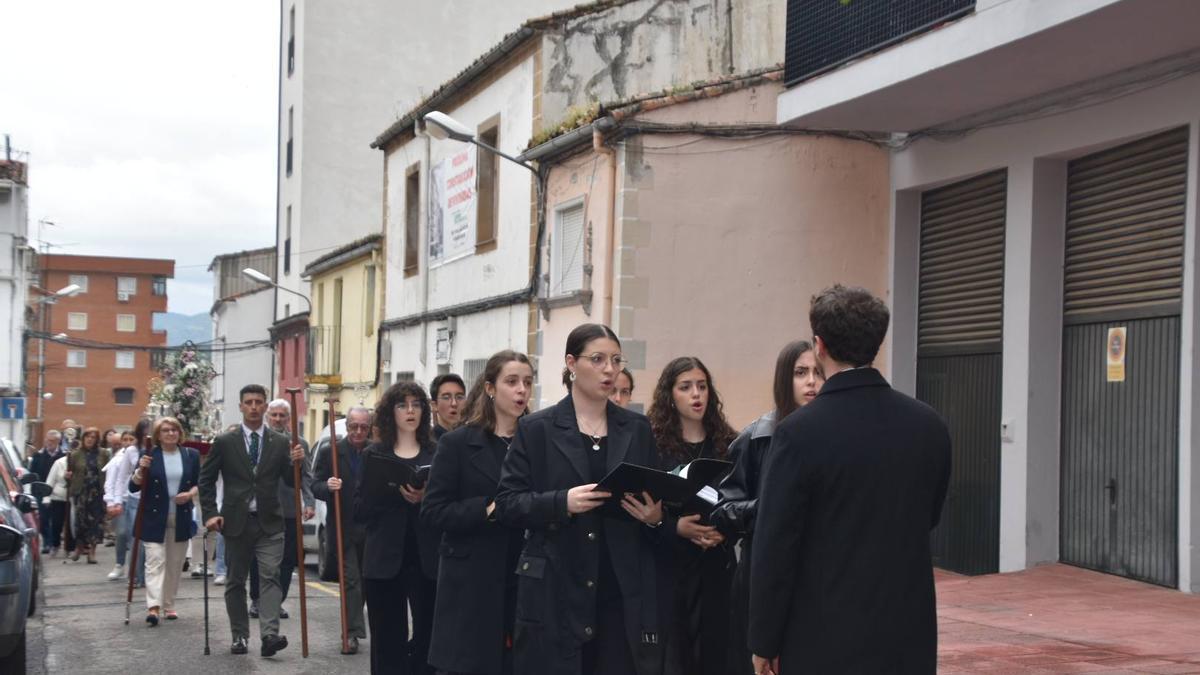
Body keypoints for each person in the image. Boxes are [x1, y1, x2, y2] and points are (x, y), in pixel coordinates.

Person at [749, 285, 952, 675]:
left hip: (823, 633)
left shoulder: (798, 433)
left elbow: (776, 544)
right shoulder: (930, 425)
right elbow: (929, 515)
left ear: (819, 345)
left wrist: (764, 640)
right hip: (907, 630)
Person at [496, 325, 669, 675]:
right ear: (572, 363)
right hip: (557, 585)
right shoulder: (538, 429)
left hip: (619, 587)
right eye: (598, 359)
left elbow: (657, 496)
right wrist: (562, 502)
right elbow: (507, 504)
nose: (609, 369)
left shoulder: (637, 428)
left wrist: (655, 517)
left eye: (616, 360)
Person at [709, 341, 824, 674]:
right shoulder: (756, 437)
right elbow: (722, 508)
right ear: (783, 379)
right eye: (801, 372)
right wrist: (771, 509)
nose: (811, 382)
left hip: (819, 578)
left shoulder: (832, 434)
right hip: (761, 576)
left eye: (818, 372)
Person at [423, 351, 530, 675]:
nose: (521, 390)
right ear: (490, 388)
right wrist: (486, 509)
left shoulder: (538, 441)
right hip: (472, 584)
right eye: (511, 382)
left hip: (525, 578)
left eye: (527, 382)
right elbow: (433, 512)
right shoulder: (458, 443)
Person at [198, 384, 304, 658]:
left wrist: (297, 463)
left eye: (259, 402)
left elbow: (292, 482)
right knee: (235, 581)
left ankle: (269, 635)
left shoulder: (280, 442)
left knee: (270, 577)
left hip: (269, 521)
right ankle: (240, 636)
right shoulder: (224, 442)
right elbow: (206, 480)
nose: (254, 407)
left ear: (265, 406)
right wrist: (210, 513)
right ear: (241, 406)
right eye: (249, 402)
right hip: (235, 522)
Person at [648, 357, 738, 675]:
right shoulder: (654, 447)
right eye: (685, 387)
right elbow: (642, 513)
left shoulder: (728, 444)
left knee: (719, 655)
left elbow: (747, 500)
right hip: (672, 569)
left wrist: (725, 530)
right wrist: (675, 528)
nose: (696, 394)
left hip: (717, 566)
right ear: (670, 395)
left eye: (702, 386)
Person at [357, 382, 439, 674]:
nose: (410, 411)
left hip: (426, 558)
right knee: (386, 639)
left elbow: (447, 505)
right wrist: (387, 493)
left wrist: (424, 497)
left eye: (416, 404)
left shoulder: (437, 453)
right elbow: (360, 510)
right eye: (402, 405)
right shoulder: (374, 454)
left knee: (428, 638)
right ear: (390, 412)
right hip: (384, 558)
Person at [311, 405, 373, 654]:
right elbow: (314, 484)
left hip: (371, 527)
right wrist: (328, 486)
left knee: (367, 581)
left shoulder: (376, 451)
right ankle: (350, 634)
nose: (358, 431)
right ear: (346, 427)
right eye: (353, 426)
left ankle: (353, 626)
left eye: (363, 427)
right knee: (351, 581)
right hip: (343, 526)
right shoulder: (331, 452)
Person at [247, 399, 315, 620]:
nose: (277, 419)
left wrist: (309, 502)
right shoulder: (258, 440)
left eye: (282, 415)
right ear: (268, 416)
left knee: (287, 560)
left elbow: (306, 475)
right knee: (260, 559)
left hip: (289, 510)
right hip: (262, 509)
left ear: (289, 418)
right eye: (274, 415)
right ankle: (257, 600)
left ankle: (277, 601)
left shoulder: (299, 444)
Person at [129, 417, 200, 625]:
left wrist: (189, 495)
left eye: (174, 430)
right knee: (155, 562)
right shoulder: (149, 455)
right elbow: (133, 487)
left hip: (181, 515)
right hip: (153, 516)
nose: (171, 433)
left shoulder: (191, 455)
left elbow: (199, 483)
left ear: (180, 433)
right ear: (158, 435)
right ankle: (153, 607)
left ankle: (169, 604)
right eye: (166, 430)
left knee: (175, 564)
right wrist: (140, 470)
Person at [67, 427, 112, 564]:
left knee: (95, 523)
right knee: (80, 522)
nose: (90, 439)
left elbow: (108, 471)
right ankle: (79, 548)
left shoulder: (103, 453)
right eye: (88, 437)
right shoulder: (75, 454)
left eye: (93, 437)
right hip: (81, 492)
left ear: (97, 440)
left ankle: (92, 552)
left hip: (97, 492)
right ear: (83, 438)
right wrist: (67, 477)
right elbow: (70, 473)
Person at [103, 430, 140, 580]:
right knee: (122, 533)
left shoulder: (139, 455)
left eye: (131, 439)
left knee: (135, 535)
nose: (128, 442)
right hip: (121, 500)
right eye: (125, 439)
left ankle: (135, 568)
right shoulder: (117, 459)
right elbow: (110, 481)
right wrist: (111, 501)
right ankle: (119, 564)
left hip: (136, 499)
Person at [29, 430, 65, 554]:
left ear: (58, 441)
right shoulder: (38, 456)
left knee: (57, 521)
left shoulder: (64, 456)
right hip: (41, 492)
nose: (49, 443)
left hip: (57, 493)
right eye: (47, 440)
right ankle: (47, 542)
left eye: (52, 441)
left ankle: (55, 542)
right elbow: (32, 473)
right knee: (43, 519)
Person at [44, 446, 71, 557]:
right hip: (58, 498)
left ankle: (69, 547)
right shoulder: (59, 463)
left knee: (71, 525)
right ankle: (55, 545)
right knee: (56, 523)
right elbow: (50, 480)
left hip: (73, 499)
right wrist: (46, 497)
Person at [430, 373, 467, 439]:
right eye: (446, 397)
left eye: (459, 397)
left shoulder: (473, 439)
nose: (454, 403)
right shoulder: (427, 443)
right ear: (434, 405)